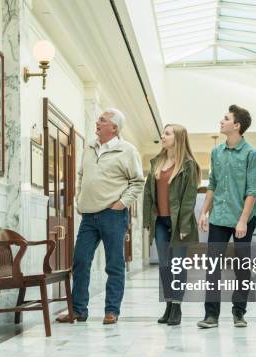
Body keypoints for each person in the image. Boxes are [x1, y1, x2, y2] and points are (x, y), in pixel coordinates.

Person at [56, 108, 144, 325]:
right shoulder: (89, 148)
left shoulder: (127, 150)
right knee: (80, 261)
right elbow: (81, 175)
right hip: (88, 216)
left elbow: (137, 182)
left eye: (102, 120)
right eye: (98, 119)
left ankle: (112, 311)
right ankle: (78, 311)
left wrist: (121, 203)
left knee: (114, 264)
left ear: (114, 128)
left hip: (113, 215)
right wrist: (79, 198)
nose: (97, 122)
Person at [196, 105, 256, 329]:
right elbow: (212, 185)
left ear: (237, 125)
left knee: (242, 267)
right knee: (212, 266)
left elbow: (252, 190)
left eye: (225, 119)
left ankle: (239, 312)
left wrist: (242, 220)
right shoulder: (216, 153)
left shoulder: (251, 154)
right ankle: (211, 315)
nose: (221, 121)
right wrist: (204, 211)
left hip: (243, 218)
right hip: (219, 218)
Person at [143, 124, 200, 326]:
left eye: (167, 133)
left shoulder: (188, 165)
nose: (163, 136)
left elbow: (189, 199)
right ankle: (168, 304)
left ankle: (177, 306)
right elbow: (149, 194)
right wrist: (147, 221)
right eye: (163, 133)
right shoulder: (157, 162)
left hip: (178, 223)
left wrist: (185, 226)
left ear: (178, 138)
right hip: (159, 221)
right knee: (165, 265)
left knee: (177, 265)